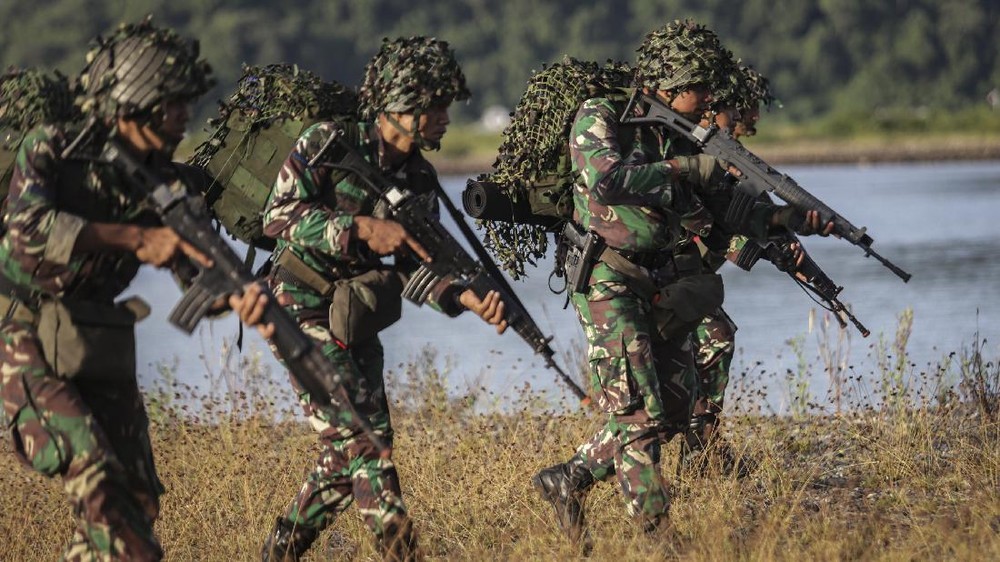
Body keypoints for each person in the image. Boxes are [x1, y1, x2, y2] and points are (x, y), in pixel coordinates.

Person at [531, 20, 831, 542]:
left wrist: (794, 221)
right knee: (636, 414)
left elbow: (727, 214)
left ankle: (568, 478)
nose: (711, 97)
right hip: (608, 280)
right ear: (667, 83)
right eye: (701, 87)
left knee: (671, 412)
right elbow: (607, 181)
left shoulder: (679, 131)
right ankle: (659, 535)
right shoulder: (601, 117)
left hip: (661, 280)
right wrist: (686, 167)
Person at [0, 18, 274, 561]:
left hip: (97, 342)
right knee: (96, 473)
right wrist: (136, 237)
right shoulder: (54, 147)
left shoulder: (165, 184)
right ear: (133, 99)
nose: (182, 117)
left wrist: (241, 295)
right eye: (171, 103)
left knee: (139, 504)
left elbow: (195, 279)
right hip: (22, 340)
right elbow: (24, 235)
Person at [259, 36, 507, 562]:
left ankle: (280, 549)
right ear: (399, 106)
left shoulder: (419, 176)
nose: (443, 118)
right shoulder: (328, 140)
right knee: (367, 442)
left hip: (355, 314)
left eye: (446, 107)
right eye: (434, 107)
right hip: (297, 302)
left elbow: (421, 268)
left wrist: (465, 298)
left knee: (347, 449)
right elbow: (278, 217)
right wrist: (360, 229)